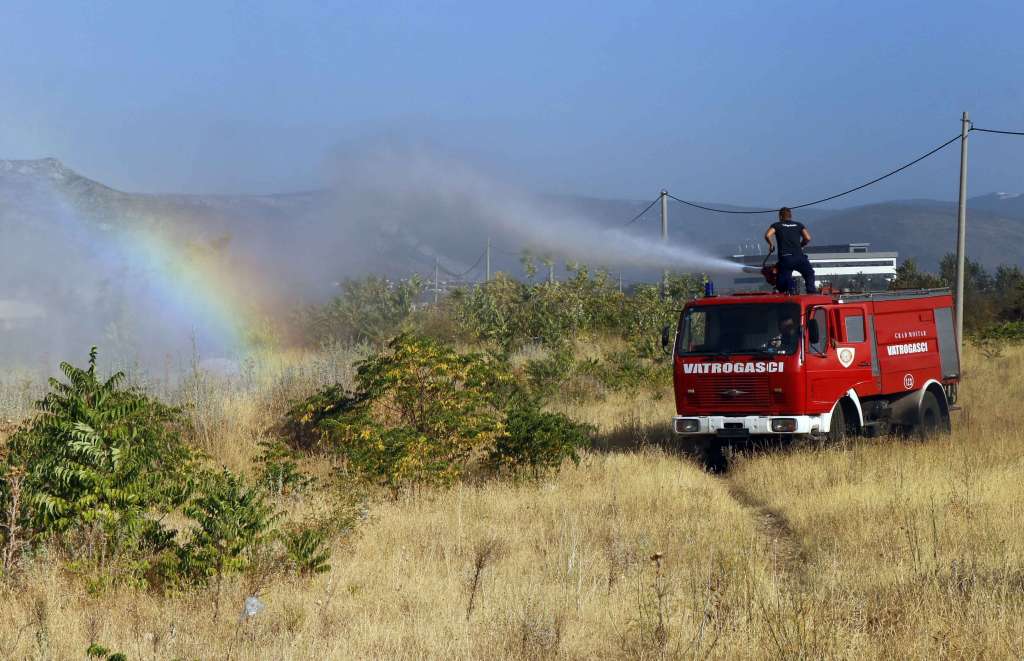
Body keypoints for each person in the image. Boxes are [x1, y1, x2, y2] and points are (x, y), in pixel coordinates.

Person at [765, 207, 817, 294]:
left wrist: (771, 244)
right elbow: (808, 238)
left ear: (780, 216)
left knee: (783, 280)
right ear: (790, 216)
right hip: (799, 257)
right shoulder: (799, 225)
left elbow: (767, 235)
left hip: (786, 258)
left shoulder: (777, 225)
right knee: (809, 273)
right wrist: (801, 245)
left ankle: (790, 290)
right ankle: (812, 293)